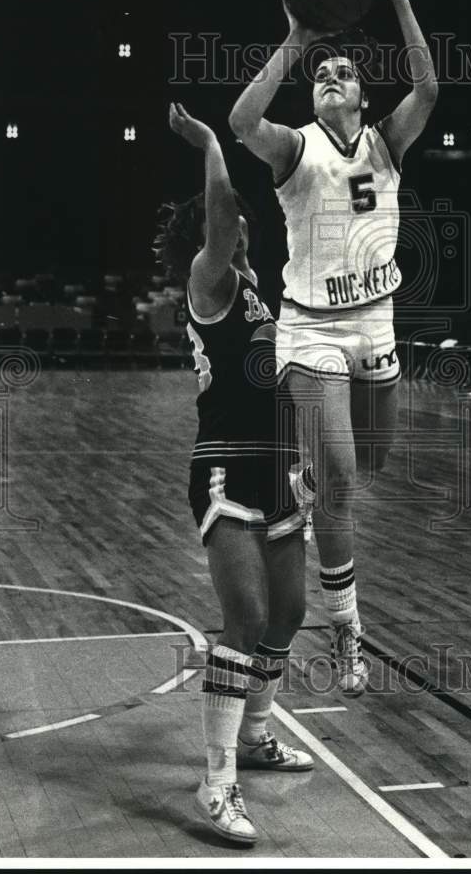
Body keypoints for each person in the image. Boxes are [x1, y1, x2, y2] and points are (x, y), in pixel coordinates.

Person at [228, 0, 438, 694]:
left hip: (375, 324)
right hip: (309, 328)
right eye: (320, 75)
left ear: (360, 95)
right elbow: (241, 119)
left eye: (341, 72)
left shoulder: (388, 141)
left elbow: (428, 87)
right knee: (344, 477)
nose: (329, 76)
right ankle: (349, 629)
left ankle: (317, 487)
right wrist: (296, 39)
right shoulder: (294, 150)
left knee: (366, 464)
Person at [160, 103, 312, 845]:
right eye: (231, 222)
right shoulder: (207, 281)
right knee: (245, 620)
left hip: (279, 469)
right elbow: (220, 215)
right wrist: (213, 144)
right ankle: (215, 781)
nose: (242, 223)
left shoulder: (257, 293)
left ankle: (254, 735)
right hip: (224, 467)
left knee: (287, 614)